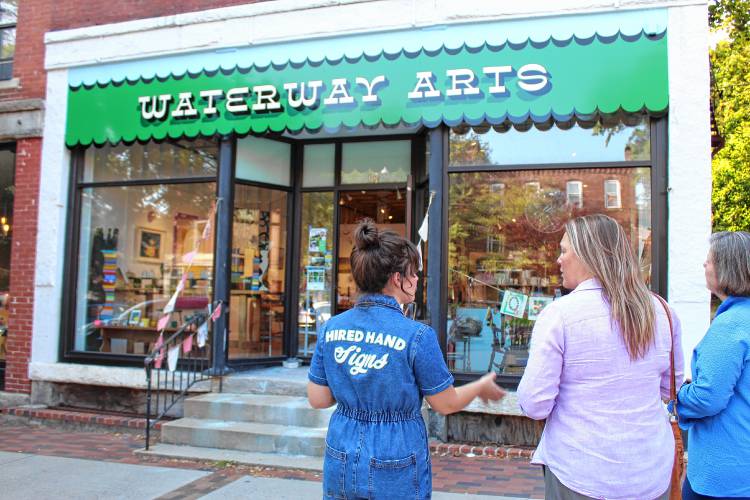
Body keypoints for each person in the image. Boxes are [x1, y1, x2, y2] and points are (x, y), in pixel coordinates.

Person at [308, 219, 505, 500]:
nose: (416, 280)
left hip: (341, 452)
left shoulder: (331, 328)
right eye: (413, 274)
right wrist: (480, 386)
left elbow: (318, 399)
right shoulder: (417, 336)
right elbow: (445, 403)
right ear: (396, 278)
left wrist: (355, 385)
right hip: (395, 455)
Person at [517, 214, 683, 499]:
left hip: (580, 470)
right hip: (650, 469)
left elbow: (534, 404)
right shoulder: (662, 311)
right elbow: (672, 387)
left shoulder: (560, 315)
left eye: (564, 250)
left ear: (586, 254)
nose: (558, 259)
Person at [676, 231, 750, 499]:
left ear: (726, 268)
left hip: (725, 474)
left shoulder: (731, 326)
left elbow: (708, 398)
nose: (704, 266)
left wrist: (678, 395)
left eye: (709, 260)